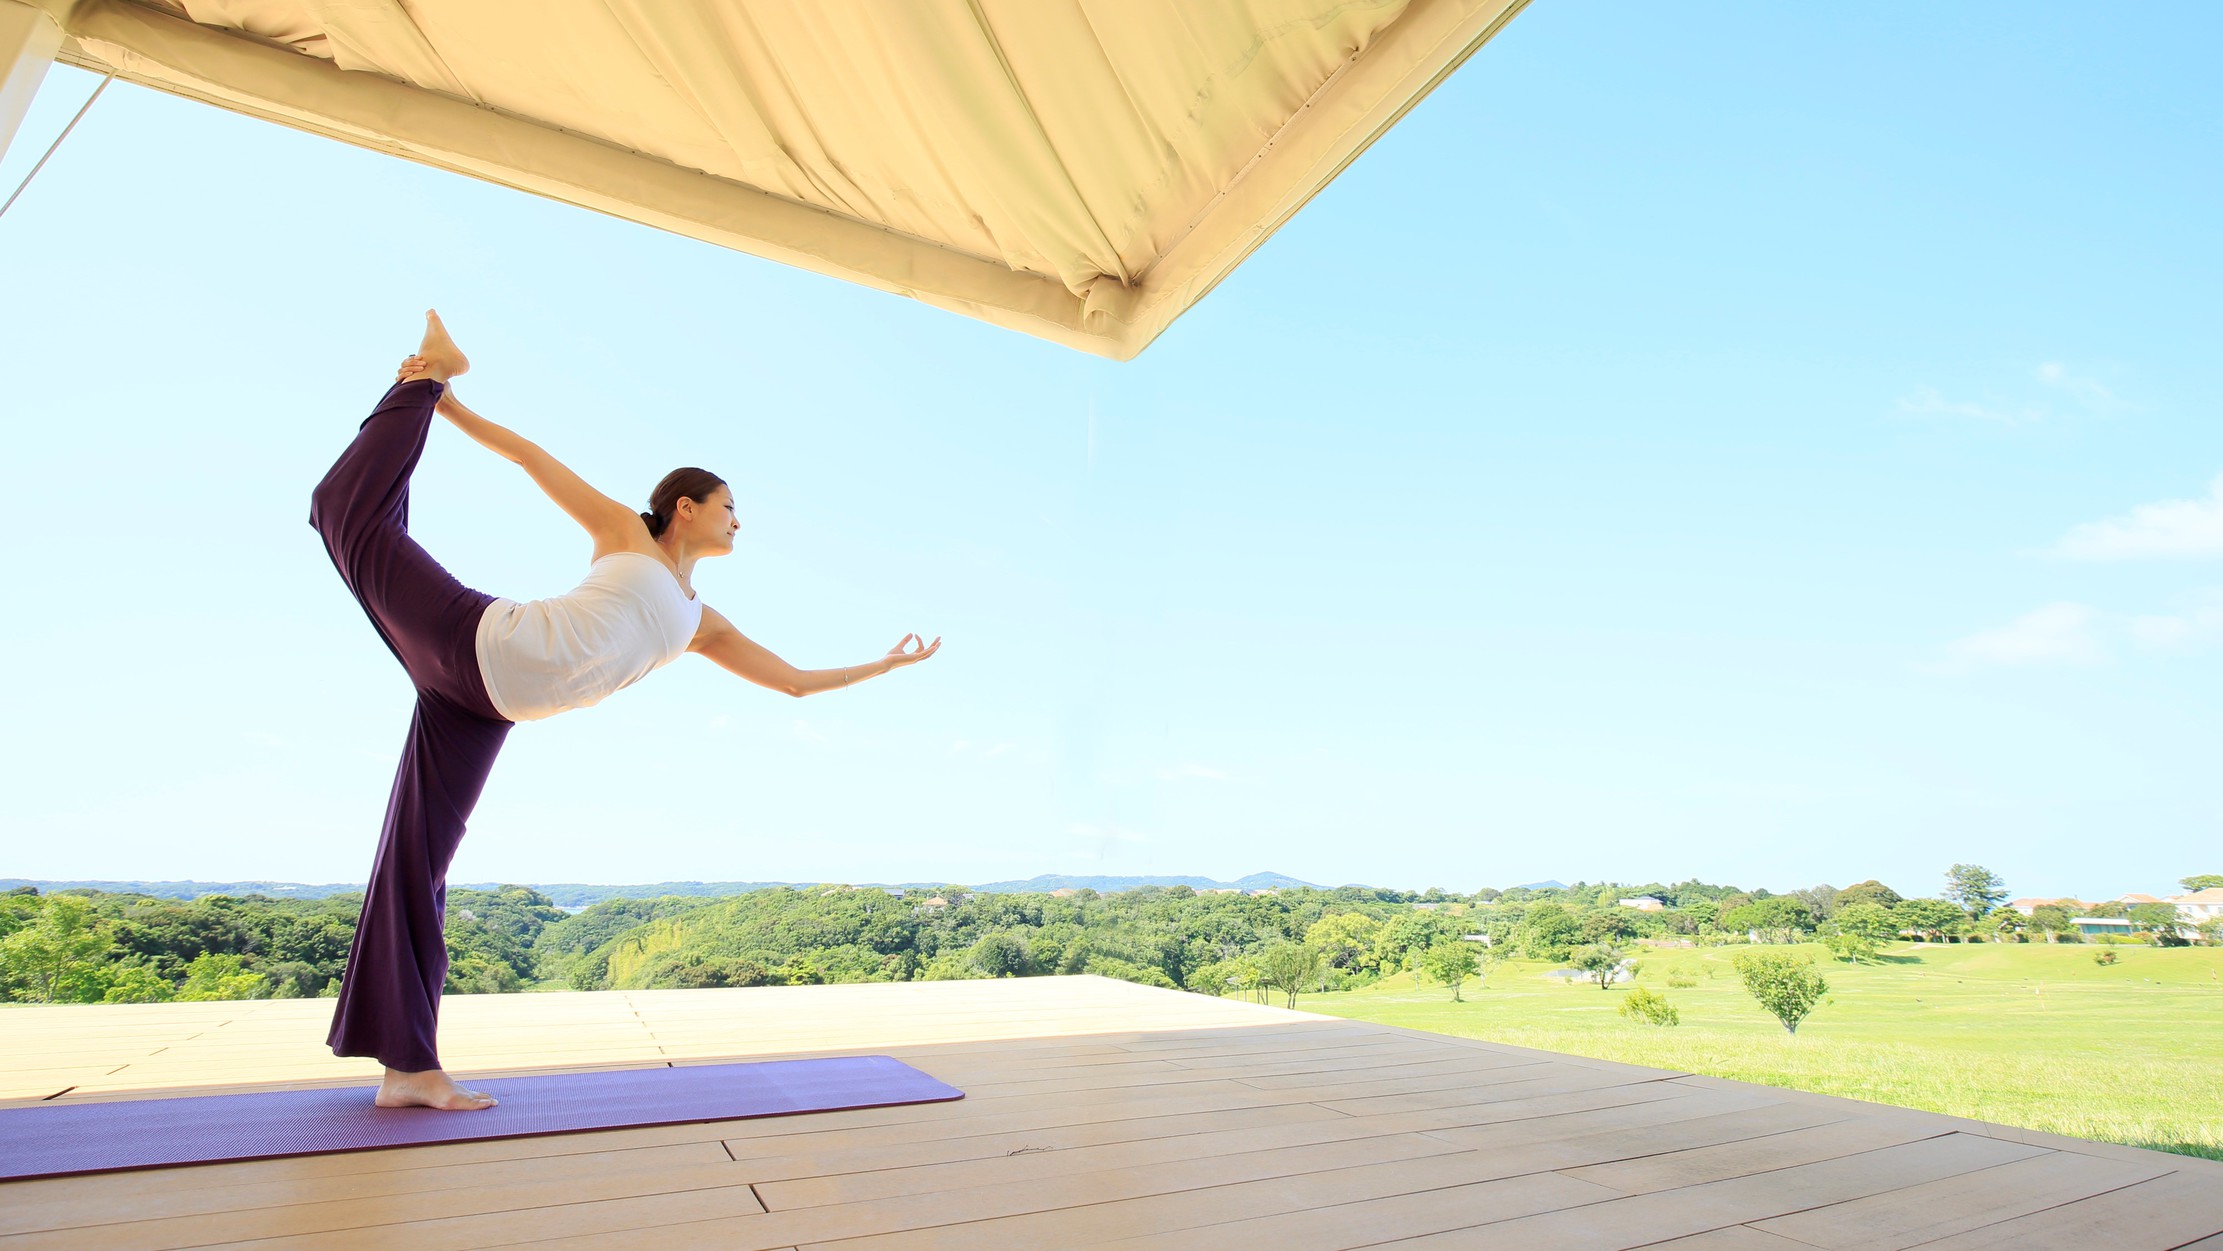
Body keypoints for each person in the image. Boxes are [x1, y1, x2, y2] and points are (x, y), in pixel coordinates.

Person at [307, 311, 940, 1111]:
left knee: (416, 867)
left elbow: (793, 683)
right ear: (684, 506)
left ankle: (409, 1069)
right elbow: (532, 459)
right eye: (727, 505)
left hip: (483, 707)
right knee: (344, 510)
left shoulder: (702, 623)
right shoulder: (624, 537)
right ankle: (425, 372)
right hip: (476, 640)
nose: (738, 519)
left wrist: (885, 663)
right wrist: (445, 401)